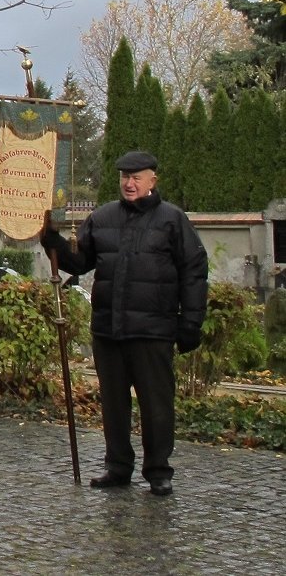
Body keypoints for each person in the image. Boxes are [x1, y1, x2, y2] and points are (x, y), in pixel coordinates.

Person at [41, 150, 207, 496]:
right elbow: (80, 262)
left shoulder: (172, 219)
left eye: (136, 177)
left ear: (152, 180)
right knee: (114, 405)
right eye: (124, 177)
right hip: (109, 329)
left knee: (156, 405)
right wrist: (53, 243)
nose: (129, 183)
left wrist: (191, 322)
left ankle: (158, 470)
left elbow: (193, 271)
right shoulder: (102, 217)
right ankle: (117, 466)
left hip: (153, 330)